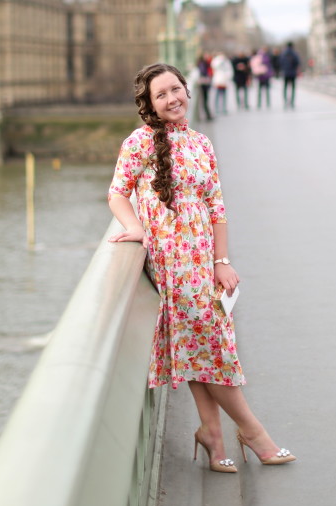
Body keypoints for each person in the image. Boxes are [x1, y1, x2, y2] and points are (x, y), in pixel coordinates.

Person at [108, 63, 295, 473]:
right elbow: (117, 194)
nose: (172, 98)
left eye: (176, 89)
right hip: (170, 263)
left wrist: (221, 262)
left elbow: (217, 207)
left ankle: (212, 434)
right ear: (150, 105)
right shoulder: (139, 142)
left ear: (187, 91)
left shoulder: (201, 143)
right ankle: (253, 431)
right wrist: (135, 227)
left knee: (201, 345)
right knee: (212, 345)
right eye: (161, 95)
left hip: (202, 259)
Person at [280, 42, 301, 108]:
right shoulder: (294, 53)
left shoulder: (283, 54)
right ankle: (292, 101)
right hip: (292, 73)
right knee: (293, 88)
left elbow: (280, 62)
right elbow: (297, 62)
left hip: (285, 73)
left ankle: (286, 101)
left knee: (285, 88)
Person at [196, 53, 214, 120]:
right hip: (204, 83)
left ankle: (207, 115)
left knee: (204, 100)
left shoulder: (203, 63)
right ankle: (208, 115)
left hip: (203, 83)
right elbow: (203, 72)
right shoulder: (202, 64)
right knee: (205, 100)